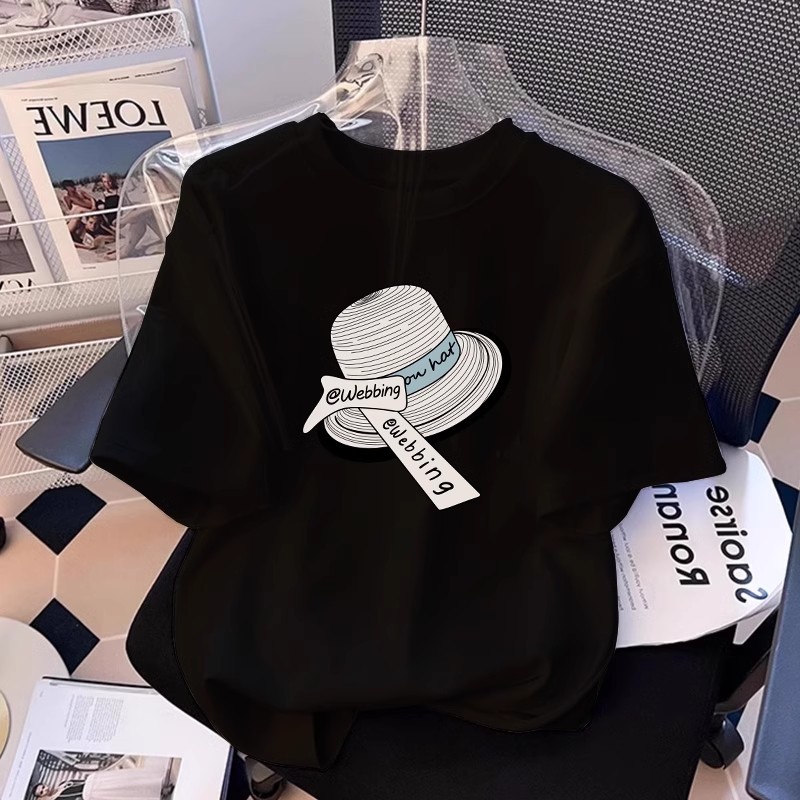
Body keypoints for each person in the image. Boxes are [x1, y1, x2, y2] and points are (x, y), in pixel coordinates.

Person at [31, 764, 172, 799]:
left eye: (43, 787)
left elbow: (79, 781)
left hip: (98, 782)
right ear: (41, 797)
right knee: (125, 793)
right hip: (97, 795)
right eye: (42, 792)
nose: (45, 789)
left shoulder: (62, 784)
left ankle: (158, 784)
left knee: (127, 781)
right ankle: (157, 794)